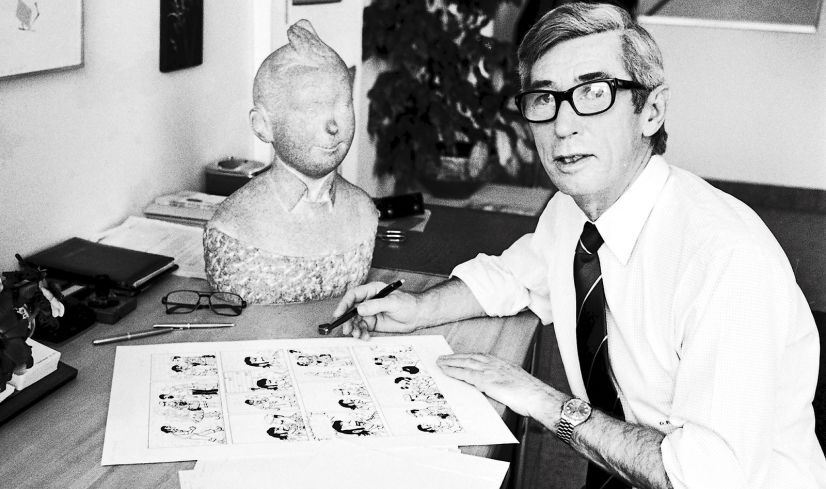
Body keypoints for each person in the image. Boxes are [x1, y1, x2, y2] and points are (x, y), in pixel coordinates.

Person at [333, 3, 826, 488]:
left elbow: (707, 479)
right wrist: (417, 308)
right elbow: (514, 277)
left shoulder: (727, 260)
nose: (563, 125)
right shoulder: (573, 211)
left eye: (594, 92)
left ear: (651, 111)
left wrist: (543, 401)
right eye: (544, 98)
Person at [204, 19, 379, 304]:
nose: (333, 126)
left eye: (344, 105)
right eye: (311, 109)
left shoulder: (363, 212)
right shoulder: (233, 228)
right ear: (262, 125)